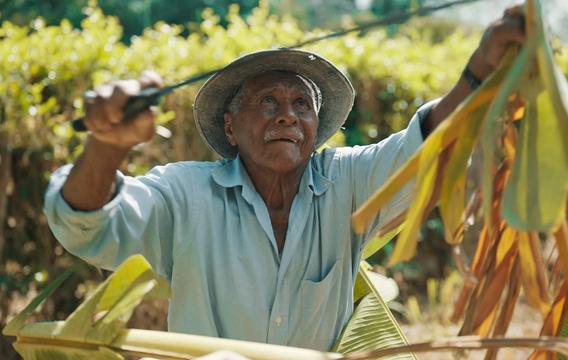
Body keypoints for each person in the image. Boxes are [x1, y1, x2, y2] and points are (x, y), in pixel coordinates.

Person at [44, 6, 525, 351]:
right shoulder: (186, 193)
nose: (287, 117)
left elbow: (424, 148)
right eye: (268, 103)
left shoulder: (348, 182)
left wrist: (478, 72)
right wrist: (107, 146)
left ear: (317, 130)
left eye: (301, 105)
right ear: (230, 127)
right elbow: (89, 227)